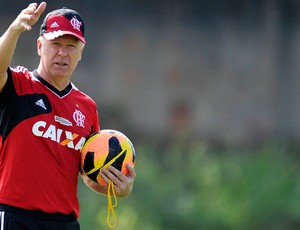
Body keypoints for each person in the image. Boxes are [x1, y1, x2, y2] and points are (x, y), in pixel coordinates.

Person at [0, 2, 136, 230]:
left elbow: (88, 174)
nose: (63, 53)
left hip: (64, 223)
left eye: (71, 45)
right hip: (16, 217)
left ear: (81, 52)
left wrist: (117, 188)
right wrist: (14, 30)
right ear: (40, 46)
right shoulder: (18, 85)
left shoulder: (86, 107)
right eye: (56, 44)